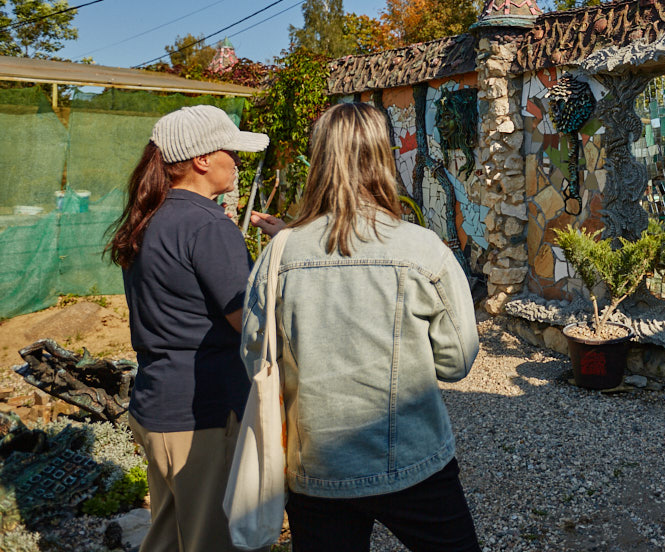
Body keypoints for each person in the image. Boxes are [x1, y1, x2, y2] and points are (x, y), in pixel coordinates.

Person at [240, 102, 481, 552]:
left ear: (319, 160)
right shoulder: (422, 249)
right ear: (382, 157)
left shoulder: (278, 254)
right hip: (414, 459)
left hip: (315, 468)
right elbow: (456, 362)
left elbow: (255, 357)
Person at [106, 104, 279, 552]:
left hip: (158, 405)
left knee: (168, 534)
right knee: (213, 540)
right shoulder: (207, 225)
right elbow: (251, 323)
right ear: (203, 160)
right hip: (202, 413)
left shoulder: (150, 217)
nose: (237, 163)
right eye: (231, 152)